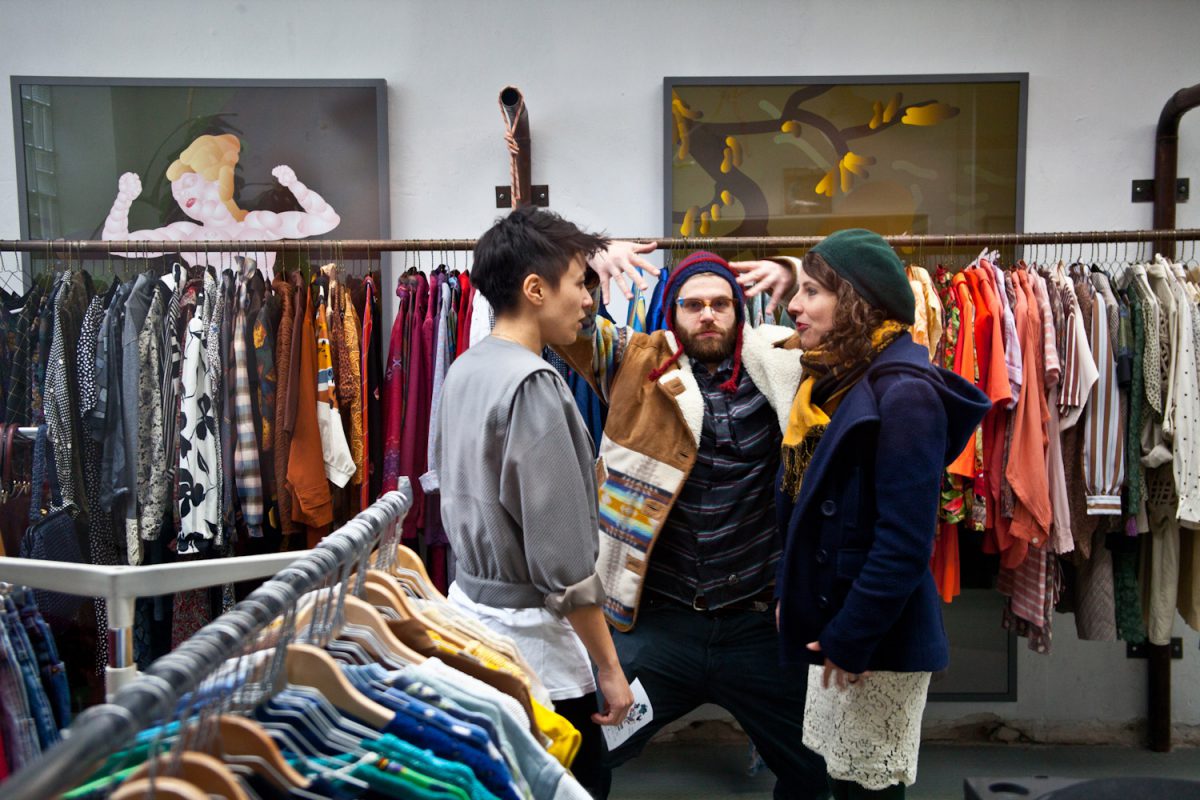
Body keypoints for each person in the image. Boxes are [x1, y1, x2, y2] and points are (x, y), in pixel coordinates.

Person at [555, 245, 830, 799]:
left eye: (720, 304)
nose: (707, 315)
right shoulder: (633, 360)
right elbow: (568, 327)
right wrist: (588, 265)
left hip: (757, 627)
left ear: (738, 312)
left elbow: (859, 334)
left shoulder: (784, 364)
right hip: (661, 627)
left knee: (816, 770)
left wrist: (800, 274)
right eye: (693, 304)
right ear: (672, 313)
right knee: (582, 756)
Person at [772, 229, 990, 799]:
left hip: (872, 641)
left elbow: (904, 542)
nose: (795, 305)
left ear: (855, 302)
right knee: (840, 780)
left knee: (867, 788)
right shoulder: (831, 380)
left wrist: (852, 636)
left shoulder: (905, 394)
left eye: (812, 291)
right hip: (839, 627)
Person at [433, 206, 634, 796]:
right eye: (578, 283)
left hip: (471, 617)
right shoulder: (533, 384)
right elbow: (564, 564)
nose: (588, 301)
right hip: (534, 647)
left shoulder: (466, 368)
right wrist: (609, 669)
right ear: (535, 289)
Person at [102, 133, 340, 278]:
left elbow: (326, 220)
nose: (183, 194)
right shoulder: (186, 233)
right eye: (177, 193)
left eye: (189, 183)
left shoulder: (258, 222)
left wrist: (295, 186)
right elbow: (116, 244)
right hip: (209, 330)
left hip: (260, 324)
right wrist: (123, 200)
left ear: (216, 177)